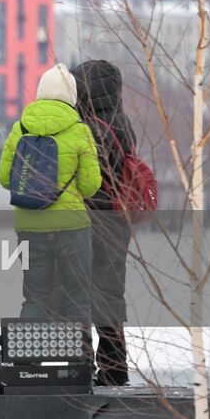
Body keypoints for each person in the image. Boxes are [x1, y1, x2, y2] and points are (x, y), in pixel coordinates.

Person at [0, 64, 102, 330]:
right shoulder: (80, 131)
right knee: (78, 298)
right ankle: (80, 363)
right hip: (73, 228)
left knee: (34, 297)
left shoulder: (20, 128)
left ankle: (26, 362)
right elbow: (91, 187)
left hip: (30, 227)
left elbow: (4, 178)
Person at [72, 60, 137, 386]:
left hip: (91, 218)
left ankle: (80, 365)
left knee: (79, 292)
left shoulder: (88, 129)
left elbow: (86, 179)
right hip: (118, 218)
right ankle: (114, 366)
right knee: (111, 294)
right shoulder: (123, 123)